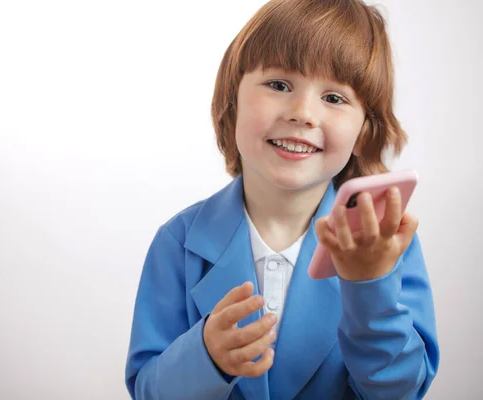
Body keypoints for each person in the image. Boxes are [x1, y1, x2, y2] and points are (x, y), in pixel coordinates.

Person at [124, 0, 440, 398]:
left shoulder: (383, 243)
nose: (303, 113)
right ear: (233, 98)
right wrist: (205, 357)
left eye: (335, 98)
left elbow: (399, 390)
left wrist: (369, 287)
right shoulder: (177, 241)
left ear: (365, 131)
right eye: (279, 85)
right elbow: (148, 391)